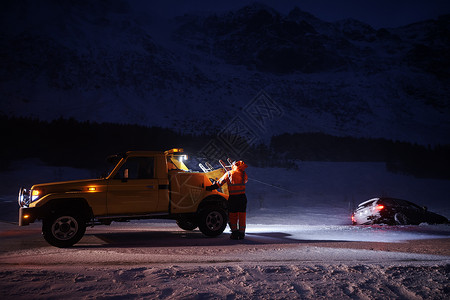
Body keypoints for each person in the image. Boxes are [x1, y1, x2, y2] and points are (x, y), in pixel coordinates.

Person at [206, 160, 248, 240]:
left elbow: (219, 183)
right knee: (242, 215)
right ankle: (242, 233)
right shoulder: (243, 173)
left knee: (233, 215)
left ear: (233, 165)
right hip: (242, 197)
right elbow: (245, 180)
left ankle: (234, 232)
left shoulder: (228, 173)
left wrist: (209, 188)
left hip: (233, 198)